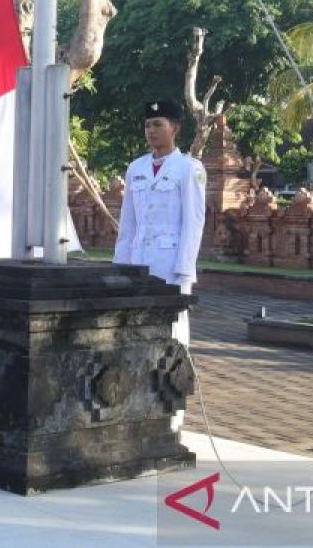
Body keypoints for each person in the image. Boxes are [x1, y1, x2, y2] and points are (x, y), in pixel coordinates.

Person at [112, 99, 206, 432]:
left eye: (159, 124)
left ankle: (171, 419)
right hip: (138, 265)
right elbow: (128, 224)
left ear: (175, 129)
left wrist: (184, 270)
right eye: (148, 125)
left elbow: (193, 223)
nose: (152, 131)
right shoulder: (136, 168)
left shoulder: (189, 169)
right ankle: (140, 410)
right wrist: (120, 268)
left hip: (170, 268)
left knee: (173, 340)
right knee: (135, 336)